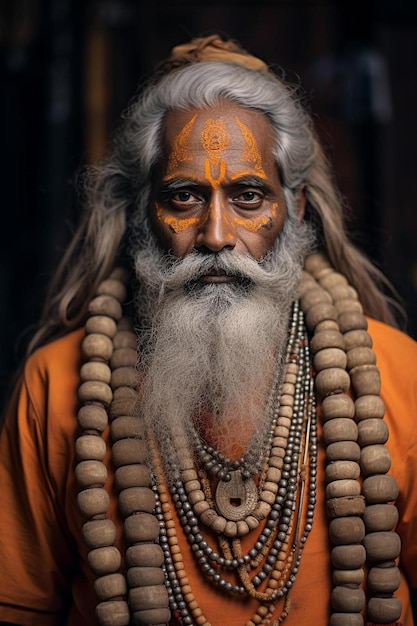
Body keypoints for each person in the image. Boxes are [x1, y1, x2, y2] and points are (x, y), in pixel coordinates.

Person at [0, 33, 416, 626]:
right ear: (143, 211)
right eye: (184, 196)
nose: (216, 235)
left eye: (248, 196)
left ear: (294, 209)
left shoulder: (398, 377)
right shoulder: (56, 389)